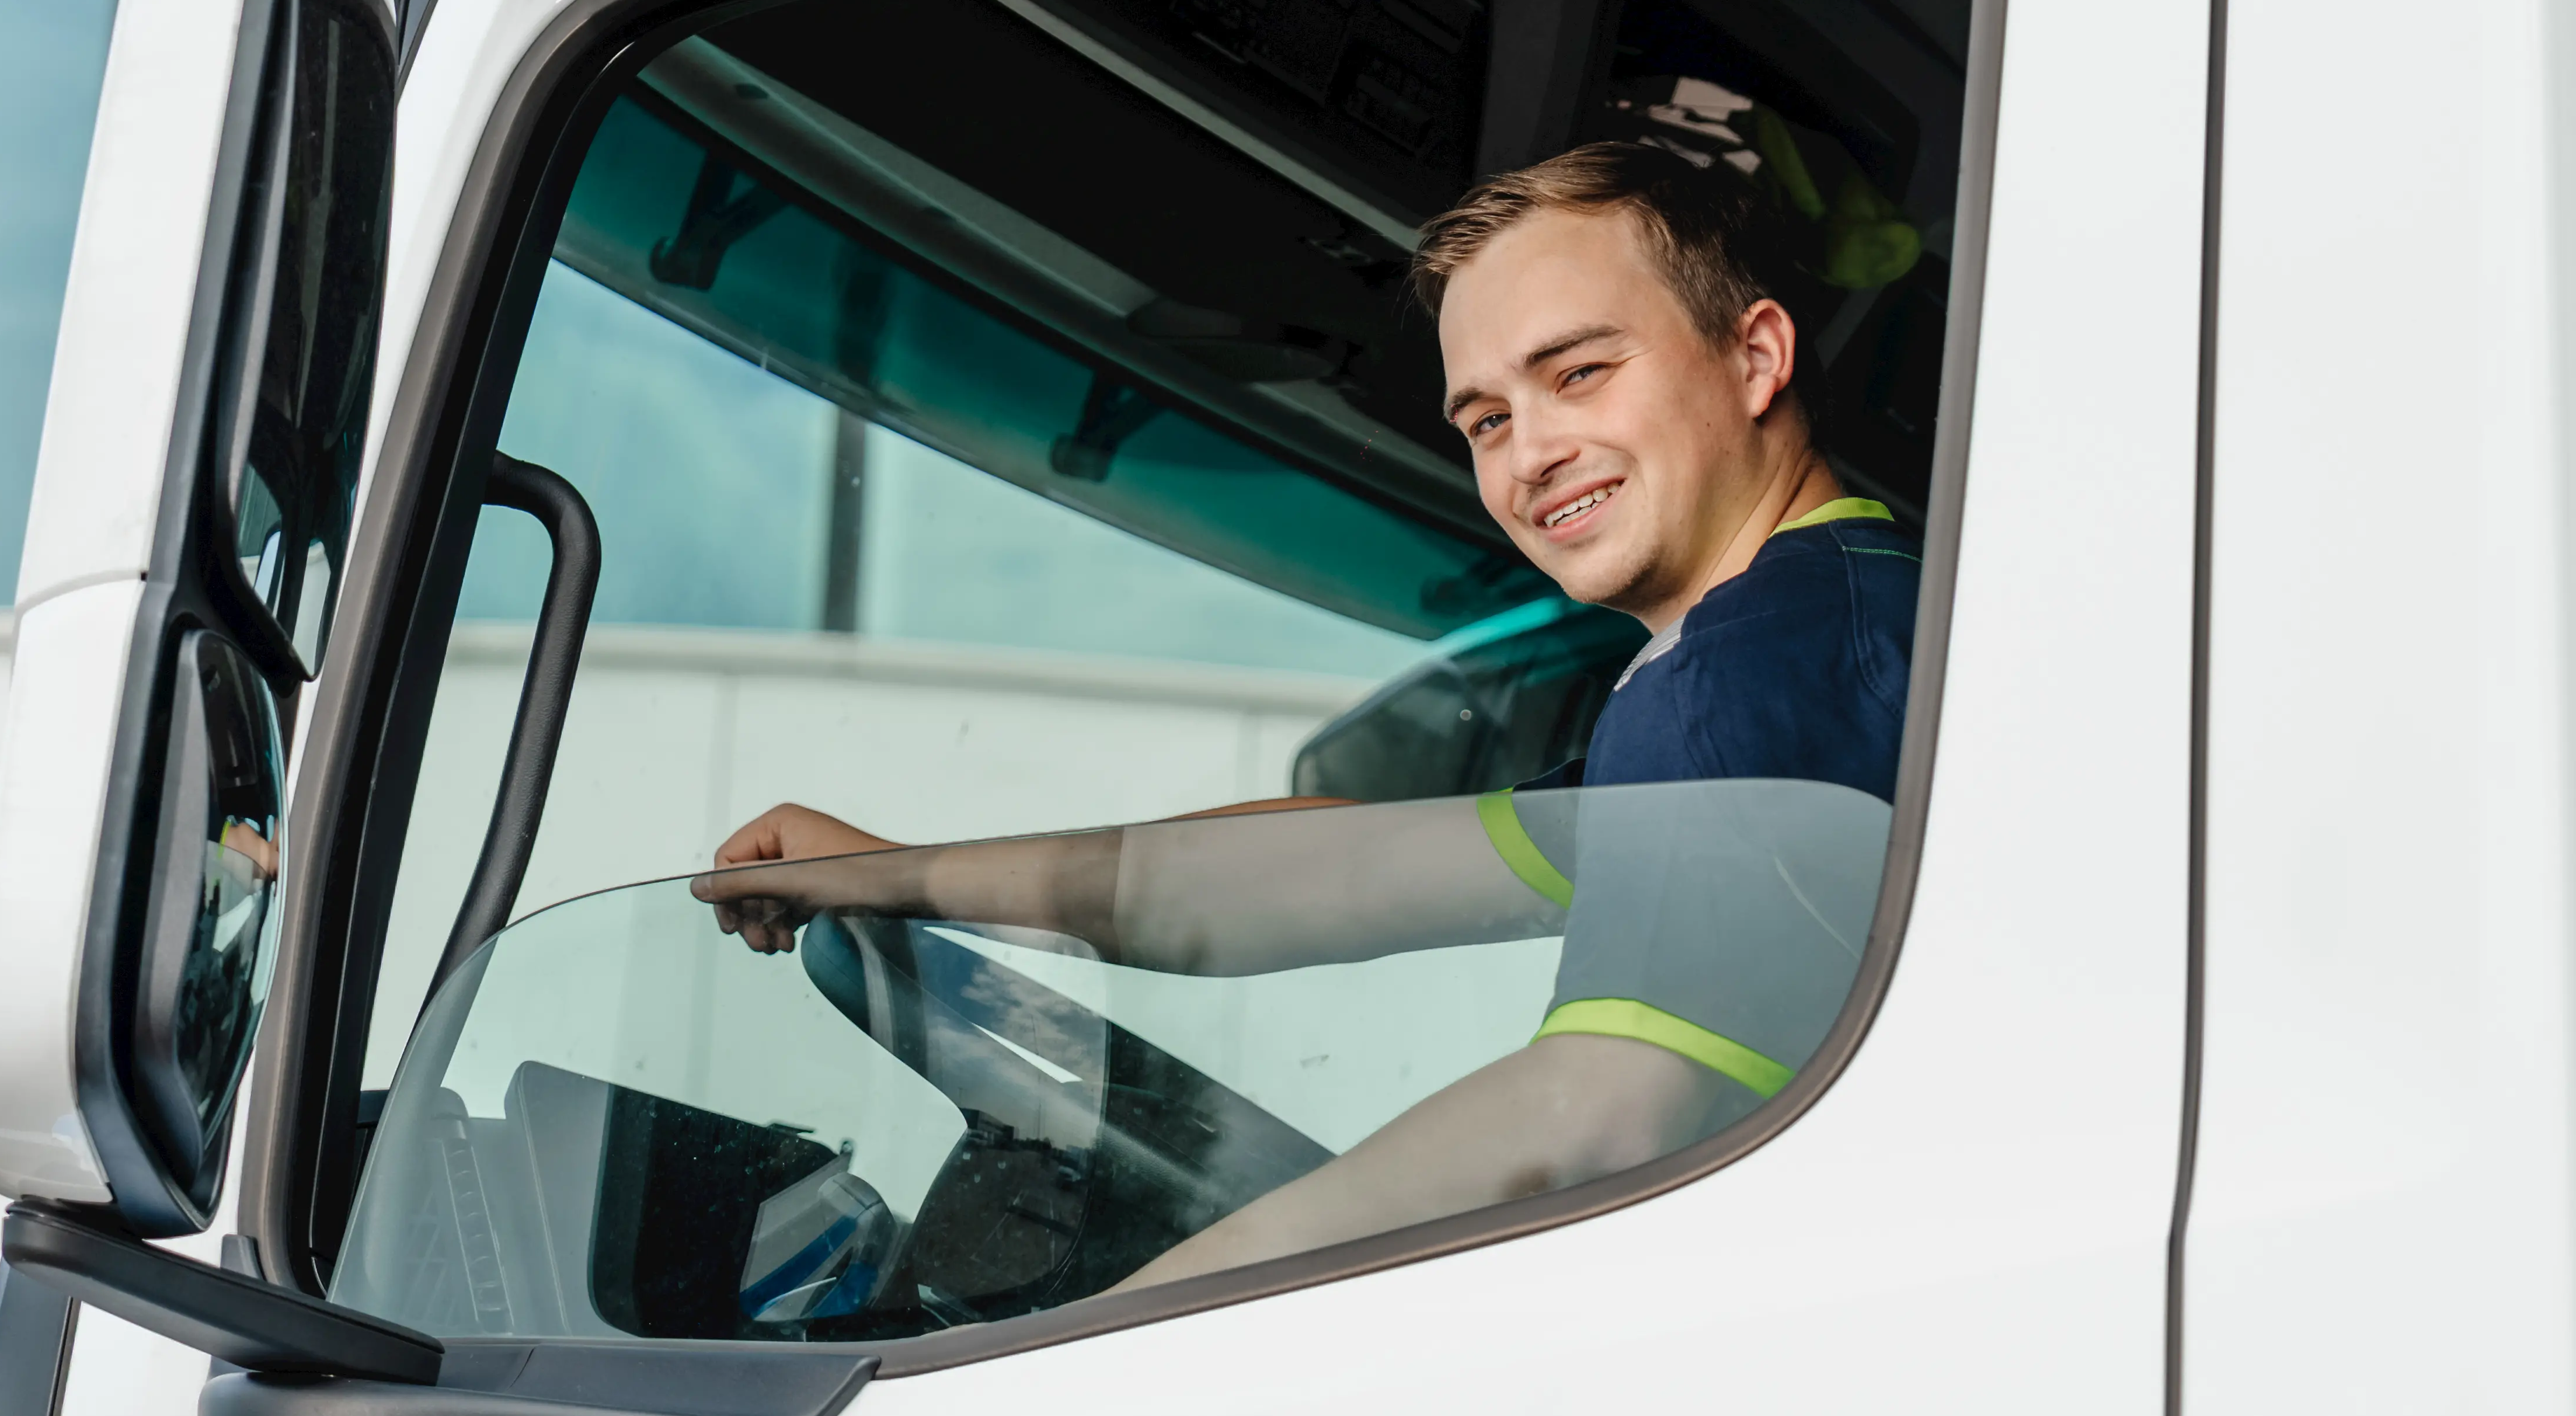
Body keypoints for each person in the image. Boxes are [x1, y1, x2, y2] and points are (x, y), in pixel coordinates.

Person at [688, 141, 1919, 1290]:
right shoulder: (1817, 641)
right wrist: (895, 871)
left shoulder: (1749, 672)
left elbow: (1595, 1112)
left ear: (1756, 357)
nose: (1531, 452)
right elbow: (1328, 874)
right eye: (1487, 418)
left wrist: (1122, 1331)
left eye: (1579, 372)